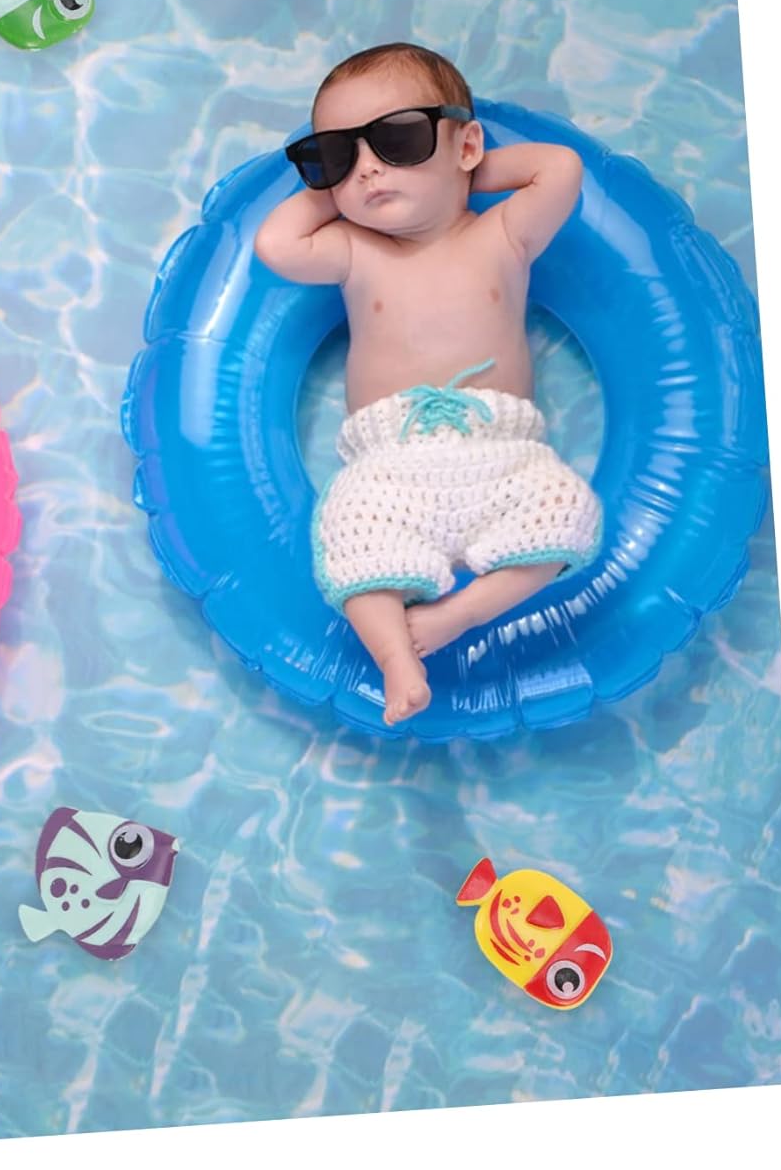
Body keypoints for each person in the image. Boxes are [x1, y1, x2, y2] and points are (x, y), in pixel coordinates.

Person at [254, 42, 601, 725]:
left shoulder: (504, 233)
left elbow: (559, 167)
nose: (369, 167)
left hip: (501, 450)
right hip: (391, 460)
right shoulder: (355, 249)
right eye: (337, 154)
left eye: (399, 139)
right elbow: (275, 245)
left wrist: (462, 171)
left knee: (568, 512)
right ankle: (396, 658)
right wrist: (348, 186)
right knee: (350, 534)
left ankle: (457, 616)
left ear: (466, 144)